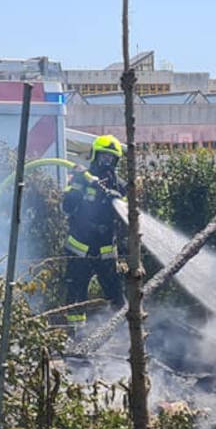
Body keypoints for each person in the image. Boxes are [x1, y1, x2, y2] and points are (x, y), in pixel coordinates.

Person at [62, 134, 128, 329]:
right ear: (95, 156)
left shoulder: (120, 185)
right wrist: (80, 189)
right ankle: (77, 335)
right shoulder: (81, 178)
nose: (107, 162)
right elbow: (67, 206)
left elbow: (126, 216)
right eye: (103, 157)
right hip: (79, 248)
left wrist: (116, 199)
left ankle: (124, 333)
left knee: (116, 293)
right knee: (76, 293)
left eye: (111, 159)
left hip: (106, 250)